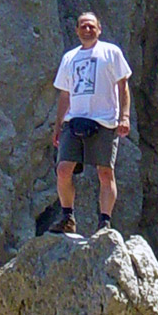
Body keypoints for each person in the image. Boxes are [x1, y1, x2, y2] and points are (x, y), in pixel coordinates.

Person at [49, 12, 132, 234]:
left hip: (104, 121)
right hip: (74, 120)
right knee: (63, 169)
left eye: (91, 26)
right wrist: (58, 126)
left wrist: (124, 116)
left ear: (99, 29)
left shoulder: (111, 53)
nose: (87, 30)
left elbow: (123, 86)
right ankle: (68, 216)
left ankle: (105, 222)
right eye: (83, 26)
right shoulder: (69, 58)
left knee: (105, 172)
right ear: (77, 30)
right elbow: (65, 95)